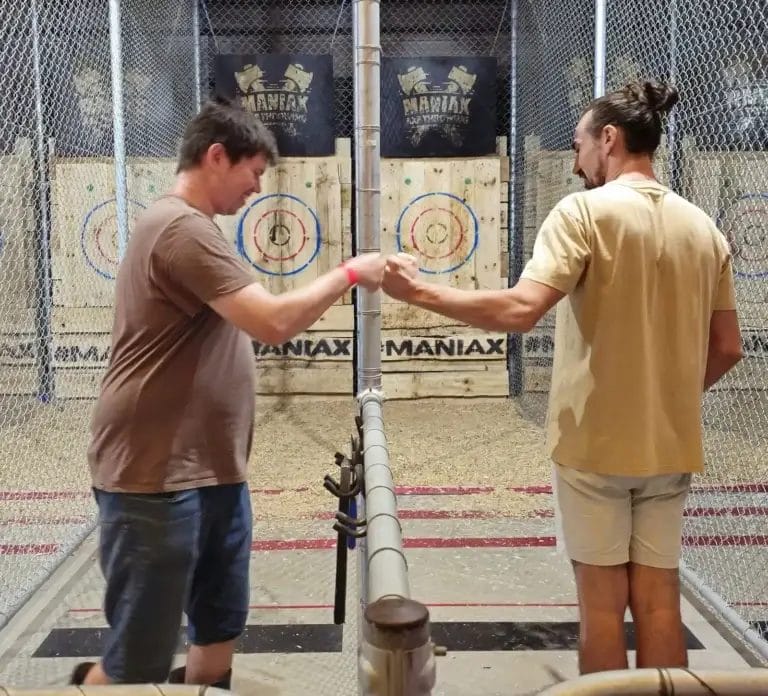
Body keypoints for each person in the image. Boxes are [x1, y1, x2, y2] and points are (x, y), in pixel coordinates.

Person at [382, 80, 743, 674]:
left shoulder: (582, 213)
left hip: (594, 444)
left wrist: (417, 291)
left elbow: (520, 311)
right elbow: (728, 348)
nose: (575, 162)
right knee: (658, 605)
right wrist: (667, 395)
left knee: (601, 611)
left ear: (609, 138)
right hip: (671, 444)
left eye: (578, 146)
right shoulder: (703, 227)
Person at [70, 99, 385, 689]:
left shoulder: (196, 228)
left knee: (217, 628)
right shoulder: (179, 228)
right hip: (155, 474)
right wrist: (349, 273)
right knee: (138, 657)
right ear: (217, 156)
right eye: (254, 173)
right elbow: (271, 321)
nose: (255, 188)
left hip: (211, 470)